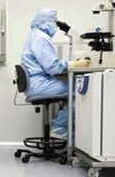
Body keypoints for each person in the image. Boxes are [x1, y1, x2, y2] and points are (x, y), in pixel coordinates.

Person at [21, 8, 90, 138]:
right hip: (40, 85)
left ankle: (60, 127)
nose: (55, 26)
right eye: (54, 22)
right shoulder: (41, 38)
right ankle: (59, 128)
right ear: (46, 22)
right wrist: (74, 64)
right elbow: (53, 66)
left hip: (36, 83)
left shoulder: (35, 35)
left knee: (74, 88)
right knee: (79, 90)